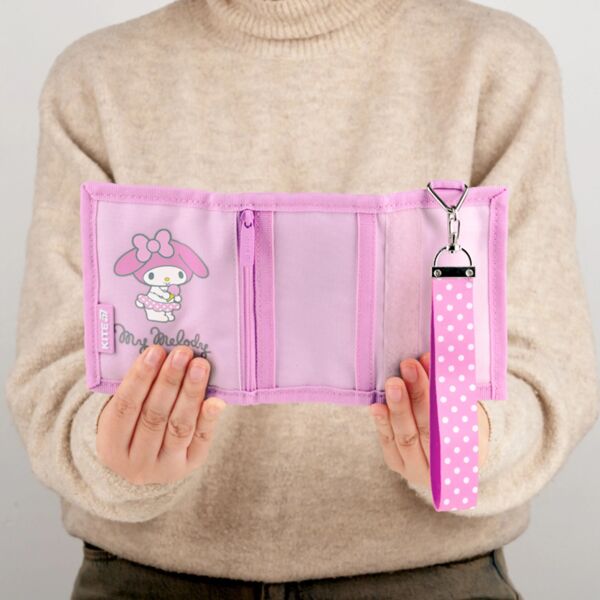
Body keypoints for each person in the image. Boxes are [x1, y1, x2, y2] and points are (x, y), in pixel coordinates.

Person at [5, 0, 599, 598]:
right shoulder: (95, 79)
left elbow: (548, 366)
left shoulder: (497, 65)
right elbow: (53, 375)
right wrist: (114, 453)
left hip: (432, 578)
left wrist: (472, 445)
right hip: (146, 578)